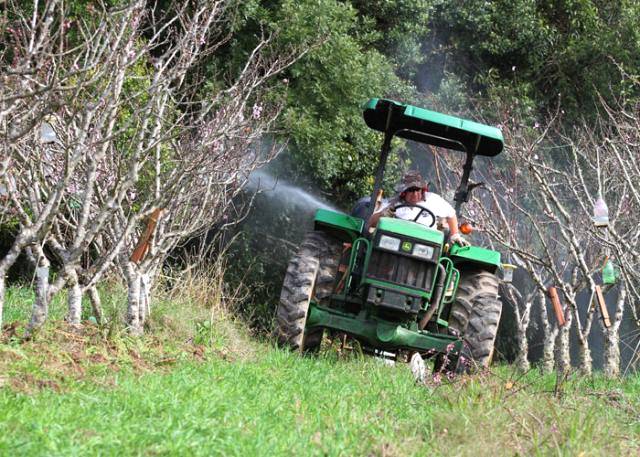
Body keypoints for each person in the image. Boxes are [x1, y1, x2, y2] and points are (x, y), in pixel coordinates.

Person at [367, 170, 469, 246]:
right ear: (404, 191)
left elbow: (451, 214)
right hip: (395, 242)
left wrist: (455, 235)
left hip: (425, 244)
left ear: (422, 189)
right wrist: (383, 214)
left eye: (417, 189)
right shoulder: (394, 204)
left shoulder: (433, 199)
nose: (415, 194)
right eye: (411, 190)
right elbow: (371, 222)